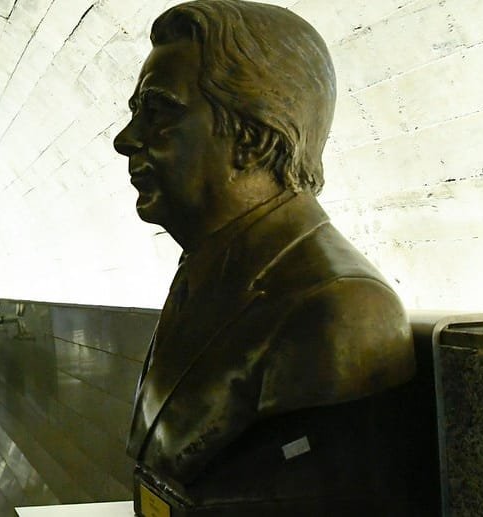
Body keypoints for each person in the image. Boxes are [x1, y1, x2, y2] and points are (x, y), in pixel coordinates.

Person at [113, 1, 415, 513]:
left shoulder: (338, 309)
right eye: (136, 113)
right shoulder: (203, 267)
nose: (127, 140)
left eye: (159, 112)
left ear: (252, 138)